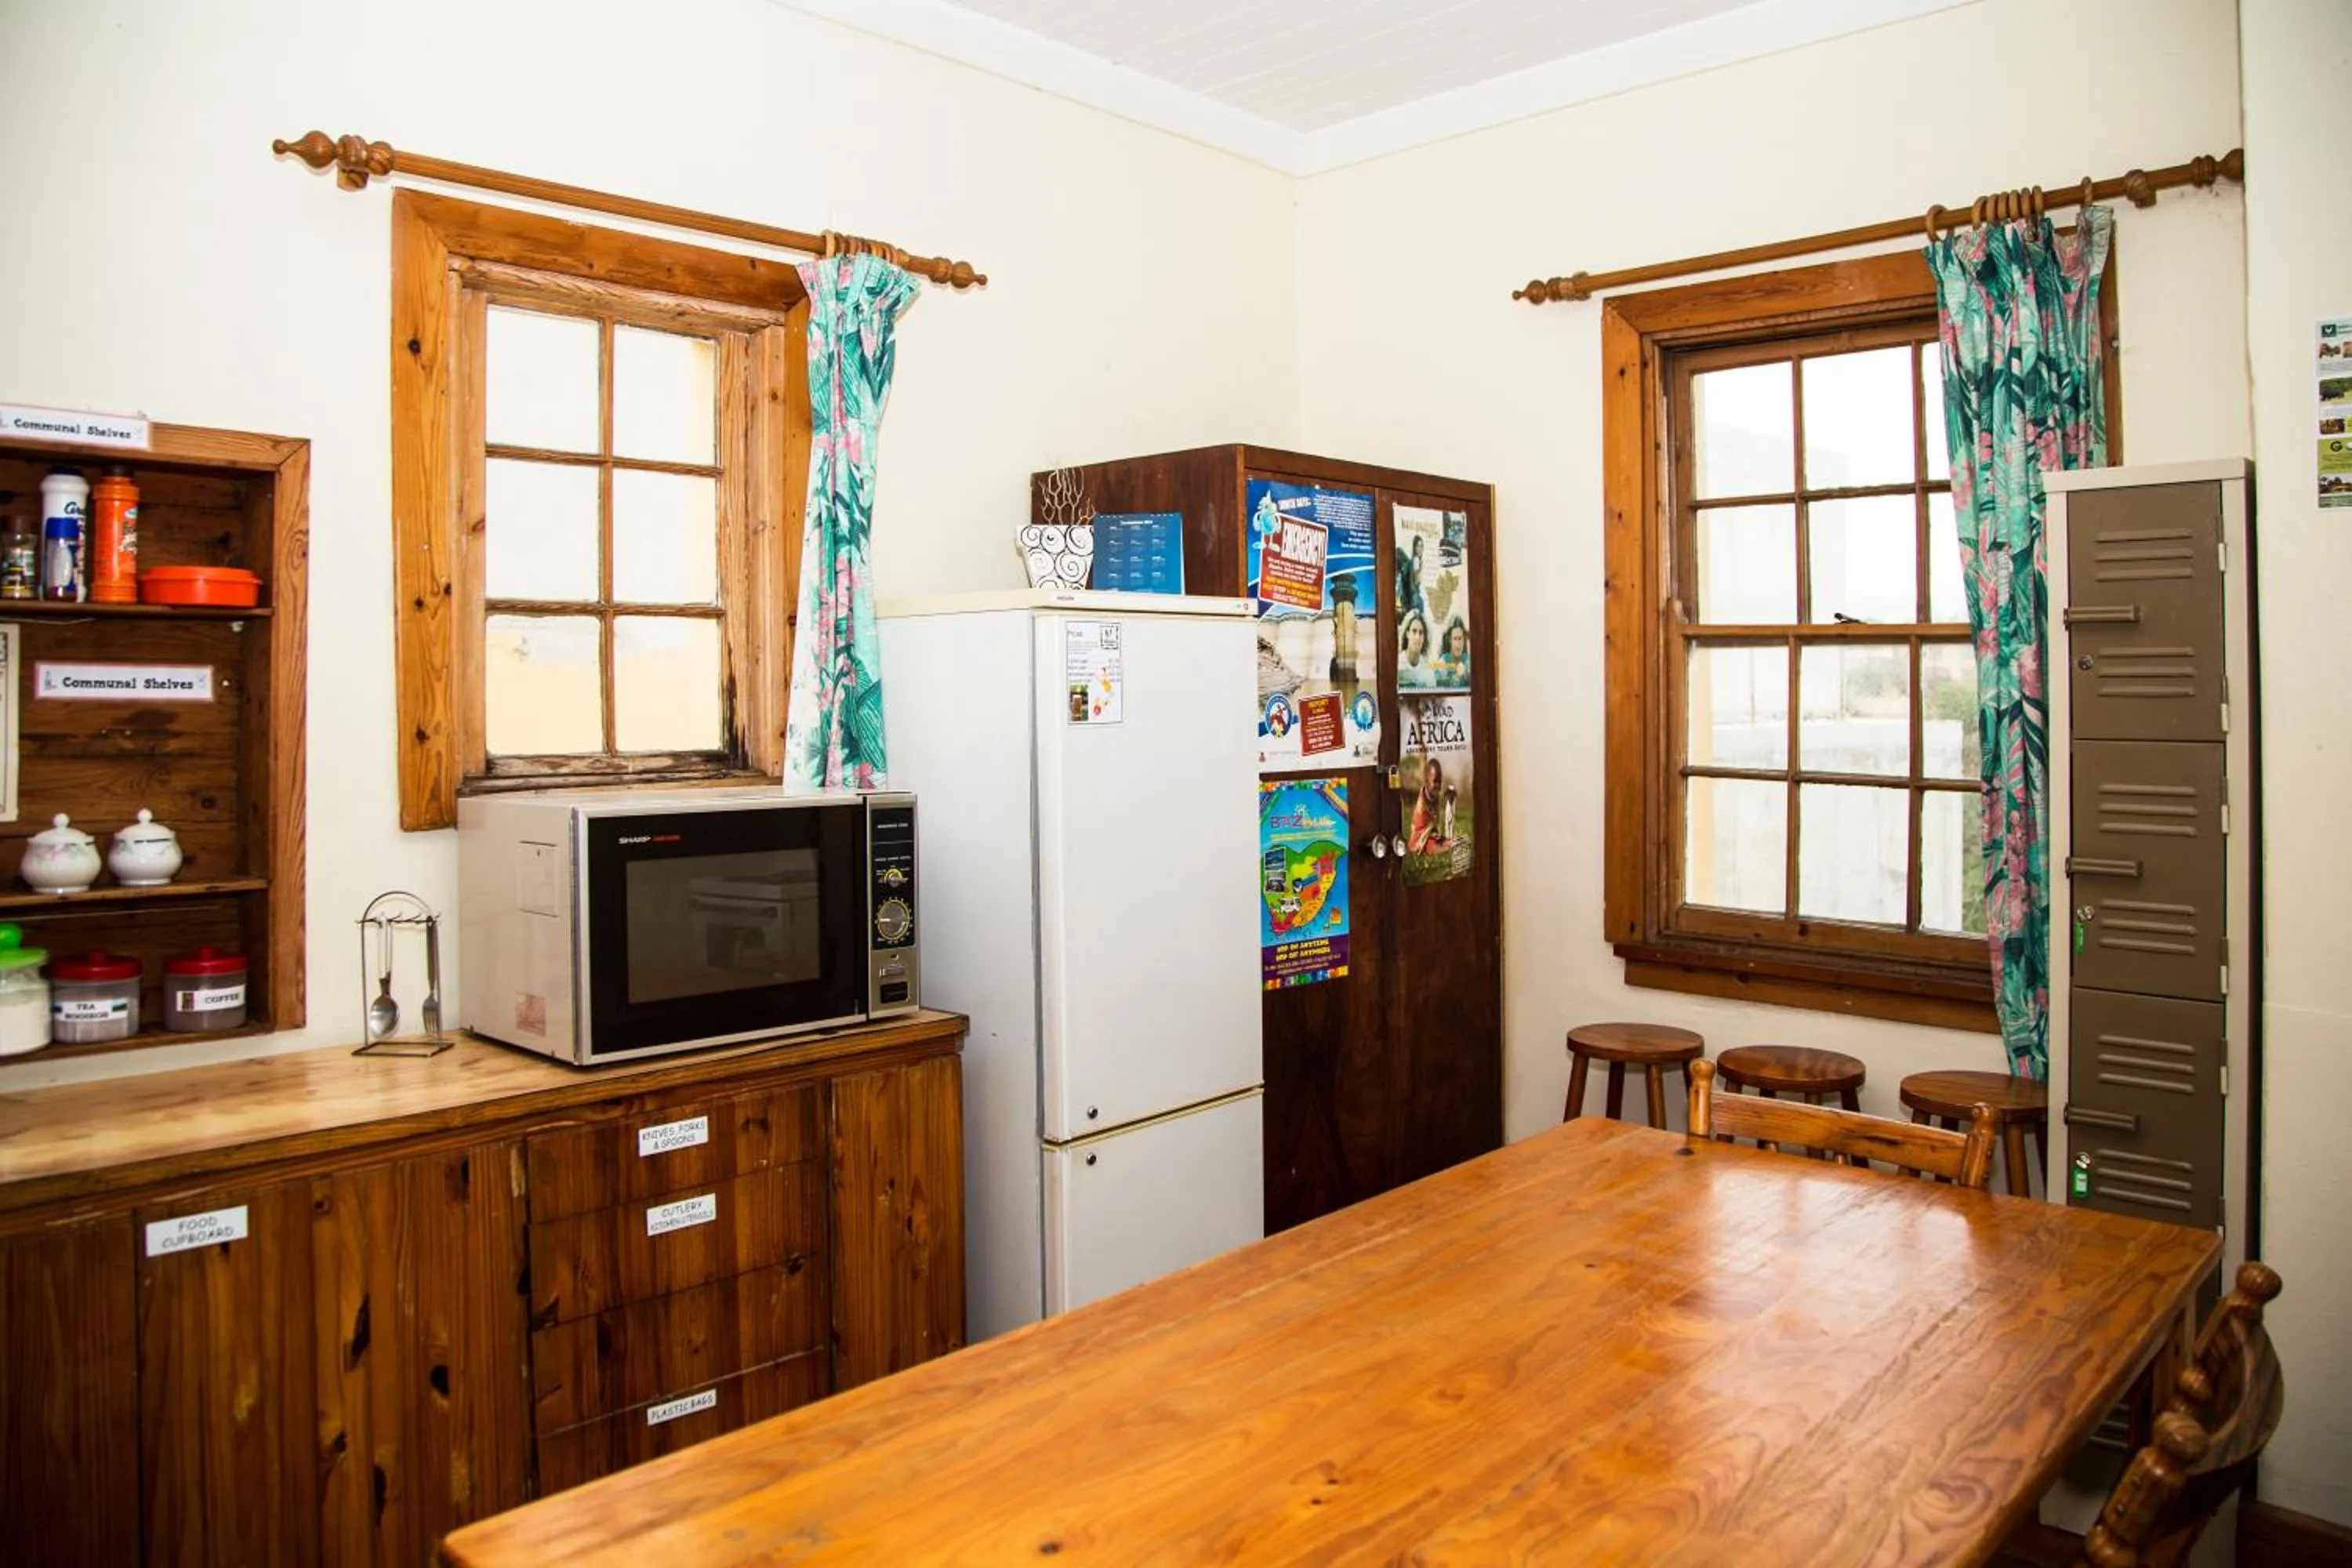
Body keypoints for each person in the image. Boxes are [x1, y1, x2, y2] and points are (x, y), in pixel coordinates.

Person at [1407, 756, 1449, 855]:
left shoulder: (1435, 797)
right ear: (1426, 782)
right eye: (1435, 781)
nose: (1438, 785)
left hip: (1431, 835)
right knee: (1439, 846)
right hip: (1419, 838)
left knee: (1447, 842)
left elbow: (1434, 824)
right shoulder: (1421, 805)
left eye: (1439, 781)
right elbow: (1420, 830)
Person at [1398, 608, 1436, 687]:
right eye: (1414, 631)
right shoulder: (1398, 665)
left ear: (1424, 637)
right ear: (1407, 634)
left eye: (1421, 633)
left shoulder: (1428, 671)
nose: (1417, 637)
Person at [1435, 617, 1471, 688]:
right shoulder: (1442, 663)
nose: (1458, 644)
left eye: (1460, 639)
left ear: (1464, 640)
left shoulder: (1468, 662)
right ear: (1449, 640)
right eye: (1455, 639)